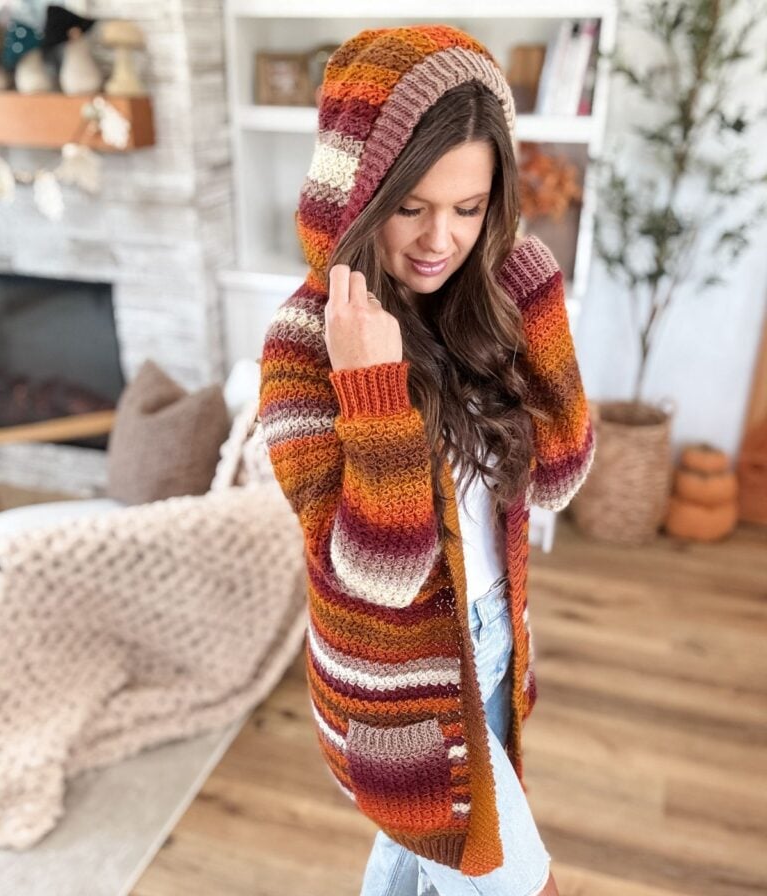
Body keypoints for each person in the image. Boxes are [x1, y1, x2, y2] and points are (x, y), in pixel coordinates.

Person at [258, 23, 595, 896]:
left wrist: (536, 295)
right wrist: (372, 389)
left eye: (470, 209)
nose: (440, 240)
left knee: (414, 868)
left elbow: (558, 476)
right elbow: (383, 572)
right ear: (360, 195)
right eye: (411, 207)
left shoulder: (484, 304)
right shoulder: (303, 345)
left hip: (495, 647)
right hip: (394, 691)